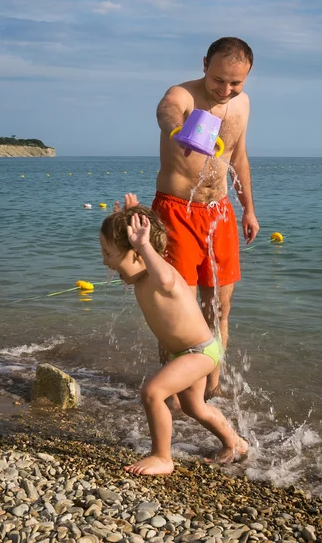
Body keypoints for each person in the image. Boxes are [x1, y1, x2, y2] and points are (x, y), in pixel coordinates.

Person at [100, 198, 248, 475]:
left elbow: (165, 278)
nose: (104, 260)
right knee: (195, 407)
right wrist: (126, 218)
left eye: (108, 253)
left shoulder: (162, 276)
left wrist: (142, 244)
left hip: (199, 352)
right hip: (188, 353)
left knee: (153, 392)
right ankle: (235, 443)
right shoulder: (141, 274)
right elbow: (134, 259)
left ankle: (162, 457)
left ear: (138, 254)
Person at [153, 37, 260, 399]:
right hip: (176, 212)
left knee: (220, 307)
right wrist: (177, 129)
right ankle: (175, 396)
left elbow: (238, 158)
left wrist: (249, 209)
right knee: (179, 311)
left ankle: (211, 392)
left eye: (236, 83)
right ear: (204, 65)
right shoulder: (183, 95)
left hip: (221, 214)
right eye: (219, 80)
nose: (226, 89)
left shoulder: (242, 104)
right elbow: (167, 109)